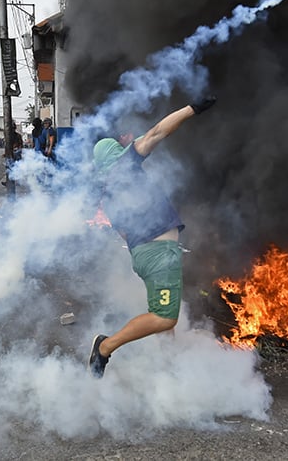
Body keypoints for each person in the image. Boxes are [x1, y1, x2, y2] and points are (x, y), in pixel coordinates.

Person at [87, 96, 216, 379]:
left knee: (163, 313)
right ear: (117, 155)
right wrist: (192, 109)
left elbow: (123, 232)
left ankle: (167, 369)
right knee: (165, 316)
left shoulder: (106, 194)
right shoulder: (125, 164)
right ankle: (105, 347)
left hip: (144, 256)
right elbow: (157, 132)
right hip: (159, 255)